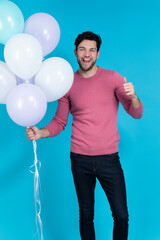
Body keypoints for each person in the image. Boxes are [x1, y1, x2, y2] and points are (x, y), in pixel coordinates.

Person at [26, 31, 143, 240]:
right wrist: (40, 133)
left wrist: (134, 97)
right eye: (82, 49)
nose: (86, 54)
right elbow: (60, 121)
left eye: (91, 50)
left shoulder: (113, 78)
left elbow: (136, 112)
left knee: (121, 215)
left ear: (98, 54)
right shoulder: (67, 82)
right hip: (79, 159)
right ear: (75, 52)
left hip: (109, 159)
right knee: (86, 215)